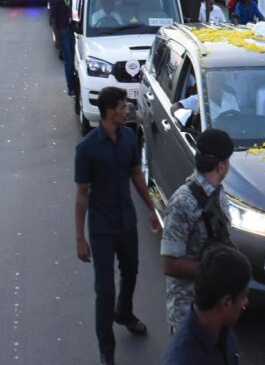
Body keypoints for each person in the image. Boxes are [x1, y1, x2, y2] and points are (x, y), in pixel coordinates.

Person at [74, 87, 161, 365]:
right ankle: (106, 348)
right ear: (111, 111)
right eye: (124, 107)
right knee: (105, 289)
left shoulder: (127, 137)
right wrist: (80, 238)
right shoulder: (86, 149)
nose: (128, 110)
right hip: (102, 227)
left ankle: (124, 313)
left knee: (132, 270)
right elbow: (82, 194)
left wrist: (151, 209)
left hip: (127, 221)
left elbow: (136, 174)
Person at [161, 129, 236, 333]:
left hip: (215, 310)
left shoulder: (219, 195)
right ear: (222, 166)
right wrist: (214, 270)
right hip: (188, 315)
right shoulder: (181, 203)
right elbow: (169, 264)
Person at [160, 244, 250, 365]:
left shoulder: (222, 329)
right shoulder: (182, 359)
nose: (245, 302)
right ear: (226, 303)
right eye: (243, 297)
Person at [49, 0, 90, 96]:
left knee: (72, 56)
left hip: (69, 28)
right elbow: (53, 21)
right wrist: (57, 39)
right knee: (68, 61)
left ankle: (73, 82)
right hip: (62, 30)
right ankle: (71, 88)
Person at [171, 74, 239, 122]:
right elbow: (174, 108)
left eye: (218, 84)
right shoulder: (198, 99)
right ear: (206, 84)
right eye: (213, 84)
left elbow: (237, 117)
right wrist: (191, 118)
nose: (215, 87)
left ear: (223, 84)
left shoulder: (230, 97)